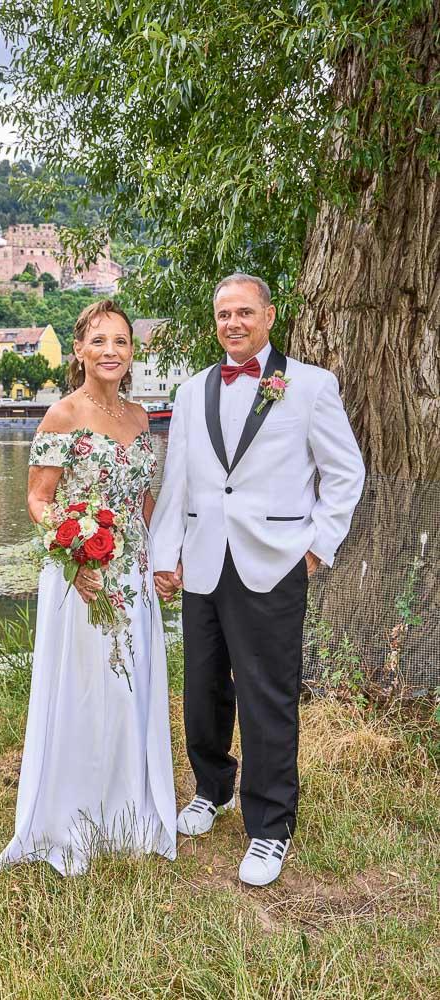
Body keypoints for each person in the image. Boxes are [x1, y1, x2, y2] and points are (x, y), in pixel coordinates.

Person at [151, 273, 365, 886]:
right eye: (224, 314)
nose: (233, 323)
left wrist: (317, 547)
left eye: (244, 312)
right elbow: (178, 479)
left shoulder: (310, 386)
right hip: (204, 561)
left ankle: (271, 826)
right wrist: (165, 553)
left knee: (267, 695)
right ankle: (211, 788)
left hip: (274, 561)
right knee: (202, 689)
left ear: (269, 317)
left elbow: (345, 472)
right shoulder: (192, 390)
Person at [0, 299, 177, 876]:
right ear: (79, 350)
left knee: (130, 689)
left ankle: (129, 813)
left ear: (132, 351)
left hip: (133, 577)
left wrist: (163, 561)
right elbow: (38, 500)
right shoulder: (62, 415)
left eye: (121, 341)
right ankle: (73, 815)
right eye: (99, 341)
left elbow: (146, 501)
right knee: (87, 690)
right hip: (83, 579)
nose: (110, 351)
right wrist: (76, 557)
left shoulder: (141, 417)